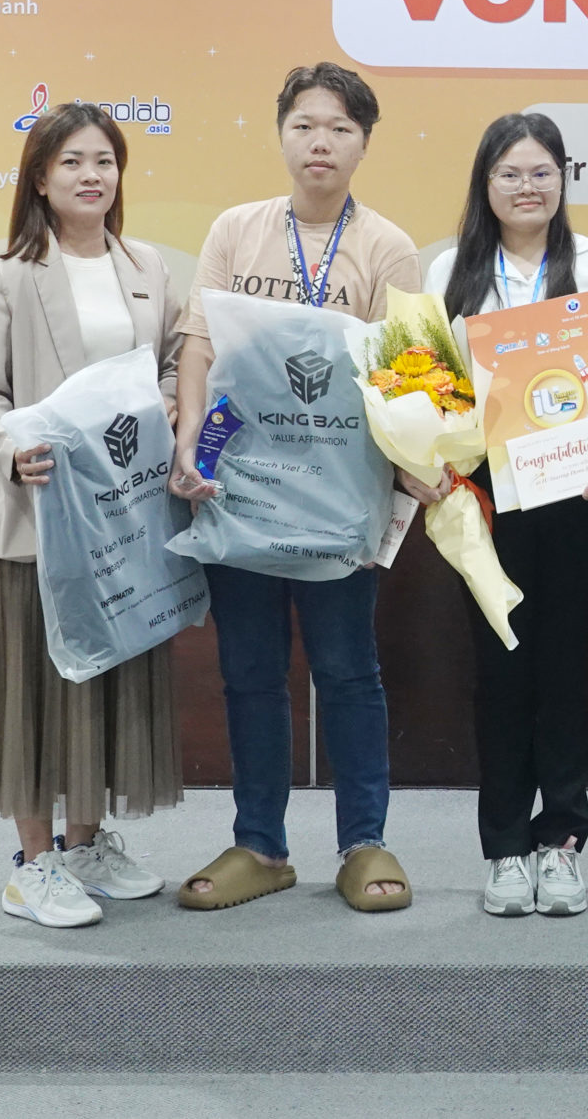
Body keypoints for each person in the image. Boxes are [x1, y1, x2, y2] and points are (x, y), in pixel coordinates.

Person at [167, 63, 425, 914]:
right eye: (305, 125)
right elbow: (199, 344)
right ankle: (261, 846)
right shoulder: (237, 230)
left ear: (364, 144)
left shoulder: (386, 247)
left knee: (348, 671)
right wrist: (188, 446)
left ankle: (364, 843)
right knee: (249, 670)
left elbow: (406, 376)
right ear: (281, 135)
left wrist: (417, 472)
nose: (322, 142)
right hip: (239, 491)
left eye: (341, 128)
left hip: (340, 498)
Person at [0, 102, 182, 928]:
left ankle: (85, 846)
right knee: (36, 687)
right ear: (41, 179)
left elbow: (172, 366)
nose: (92, 176)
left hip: (126, 517)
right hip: (44, 517)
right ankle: (34, 865)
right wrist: (11, 446)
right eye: (73, 163)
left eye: (105, 162)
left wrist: (168, 405)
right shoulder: (8, 276)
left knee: (109, 679)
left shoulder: (148, 266)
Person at [420, 112, 588, 919]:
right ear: (485, 184)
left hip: (584, 496)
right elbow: (426, 385)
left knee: (569, 670)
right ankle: (506, 848)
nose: (527, 187)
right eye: (510, 173)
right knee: (501, 669)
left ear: (563, 180)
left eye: (542, 172)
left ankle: (561, 842)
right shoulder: (450, 271)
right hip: (486, 500)